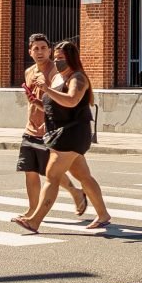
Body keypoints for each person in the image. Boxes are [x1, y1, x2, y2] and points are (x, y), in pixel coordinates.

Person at [15, 38, 110, 233]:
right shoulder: (58, 77)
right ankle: (103, 215)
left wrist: (46, 89)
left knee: (52, 175)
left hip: (73, 133)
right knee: (84, 176)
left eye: (61, 58)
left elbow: (72, 101)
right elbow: (54, 107)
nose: (57, 61)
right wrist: (37, 101)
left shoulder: (78, 78)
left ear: (71, 58)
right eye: (56, 57)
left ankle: (34, 221)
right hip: (60, 132)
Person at [17, 34, 86, 218]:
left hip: (50, 130)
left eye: (43, 48)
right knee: (30, 170)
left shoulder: (56, 72)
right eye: (35, 48)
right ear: (30, 51)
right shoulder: (29, 71)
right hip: (30, 127)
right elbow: (33, 101)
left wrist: (46, 89)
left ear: (49, 50)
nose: (40, 52)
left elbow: (60, 99)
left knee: (51, 172)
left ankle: (75, 192)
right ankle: (32, 210)